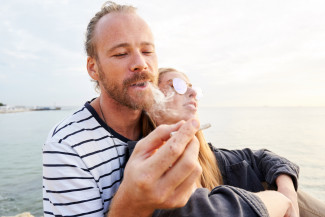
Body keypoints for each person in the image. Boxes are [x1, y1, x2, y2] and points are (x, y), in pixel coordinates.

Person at [42, 2, 299, 217]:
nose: (140, 63)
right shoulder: (68, 146)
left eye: (147, 51)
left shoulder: (160, 129)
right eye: (121, 54)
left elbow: (251, 159)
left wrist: (286, 189)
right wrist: (132, 201)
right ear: (93, 68)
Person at [132, 67, 324, 217]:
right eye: (179, 85)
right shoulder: (147, 161)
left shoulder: (210, 157)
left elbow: (262, 157)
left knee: (294, 194)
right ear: (151, 102)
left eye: (193, 87)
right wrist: (277, 201)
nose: (192, 92)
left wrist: (287, 191)